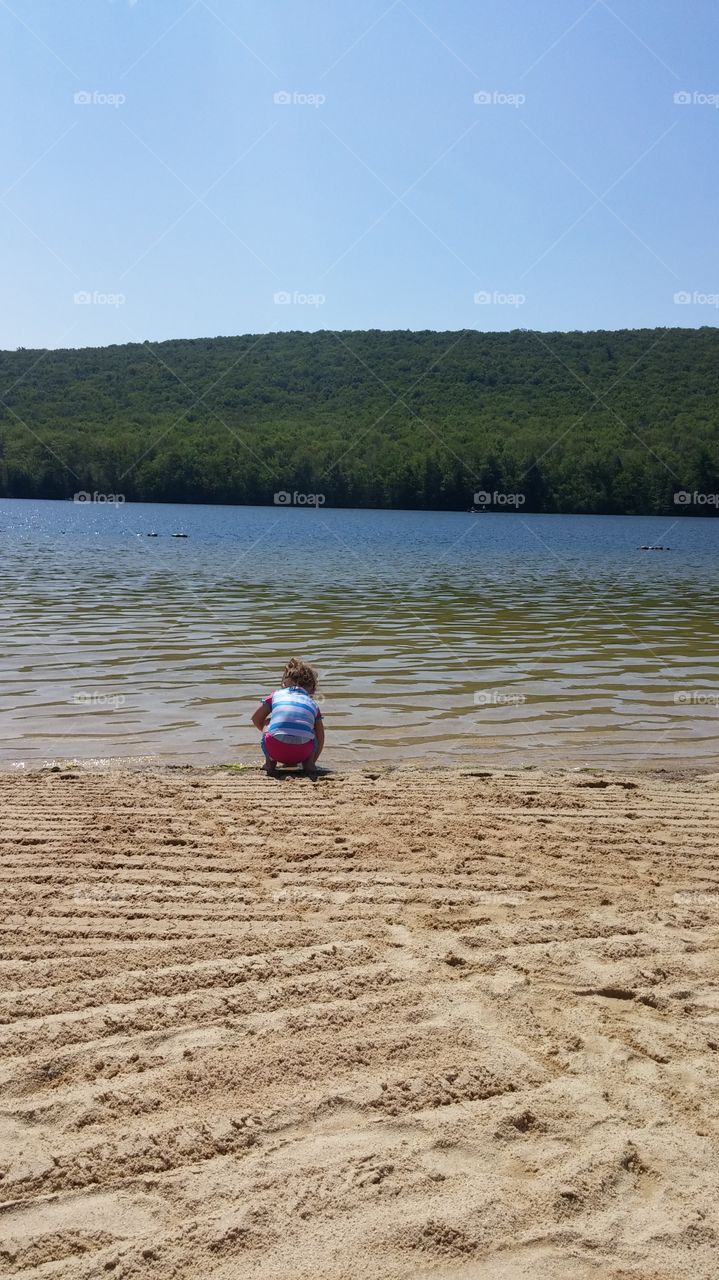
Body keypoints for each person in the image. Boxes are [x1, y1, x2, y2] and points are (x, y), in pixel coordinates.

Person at [251, 658, 324, 775]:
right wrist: (312, 760)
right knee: (311, 728)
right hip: (303, 752)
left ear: (284, 683)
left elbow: (256, 719)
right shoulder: (314, 704)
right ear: (313, 689)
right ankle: (309, 764)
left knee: (268, 722)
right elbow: (320, 737)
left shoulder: (276, 695)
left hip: (275, 749)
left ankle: (270, 763)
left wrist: (275, 734)